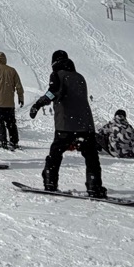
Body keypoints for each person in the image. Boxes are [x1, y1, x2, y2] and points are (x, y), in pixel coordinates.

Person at [30, 50, 106, 197]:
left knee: (55, 154)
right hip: (86, 125)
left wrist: (38, 105)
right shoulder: (80, 77)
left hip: (66, 124)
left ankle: (50, 182)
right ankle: (94, 185)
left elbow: (52, 92)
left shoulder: (57, 75)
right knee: (91, 156)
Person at [0, 51, 25, 149]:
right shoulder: (12, 70)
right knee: (11, 123)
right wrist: (20, 97)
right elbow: (19, 86)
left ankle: (2, 140)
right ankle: (14, 141)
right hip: (9, 102)